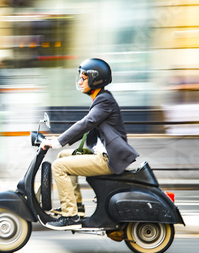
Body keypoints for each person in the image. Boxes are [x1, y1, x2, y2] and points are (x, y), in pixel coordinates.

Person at [41, 58, 139, 230]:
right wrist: (57, 140)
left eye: (84, 77)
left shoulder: (104, 101)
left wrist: (58, 141)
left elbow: (85, 123)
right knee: (63, 156)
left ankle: (70, 216)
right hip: (101, 154)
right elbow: (86, 127)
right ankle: (77, 207)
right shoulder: (101, 99)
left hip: (107, 159)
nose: (80, 81)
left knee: (58, 166)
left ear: (96, 79)